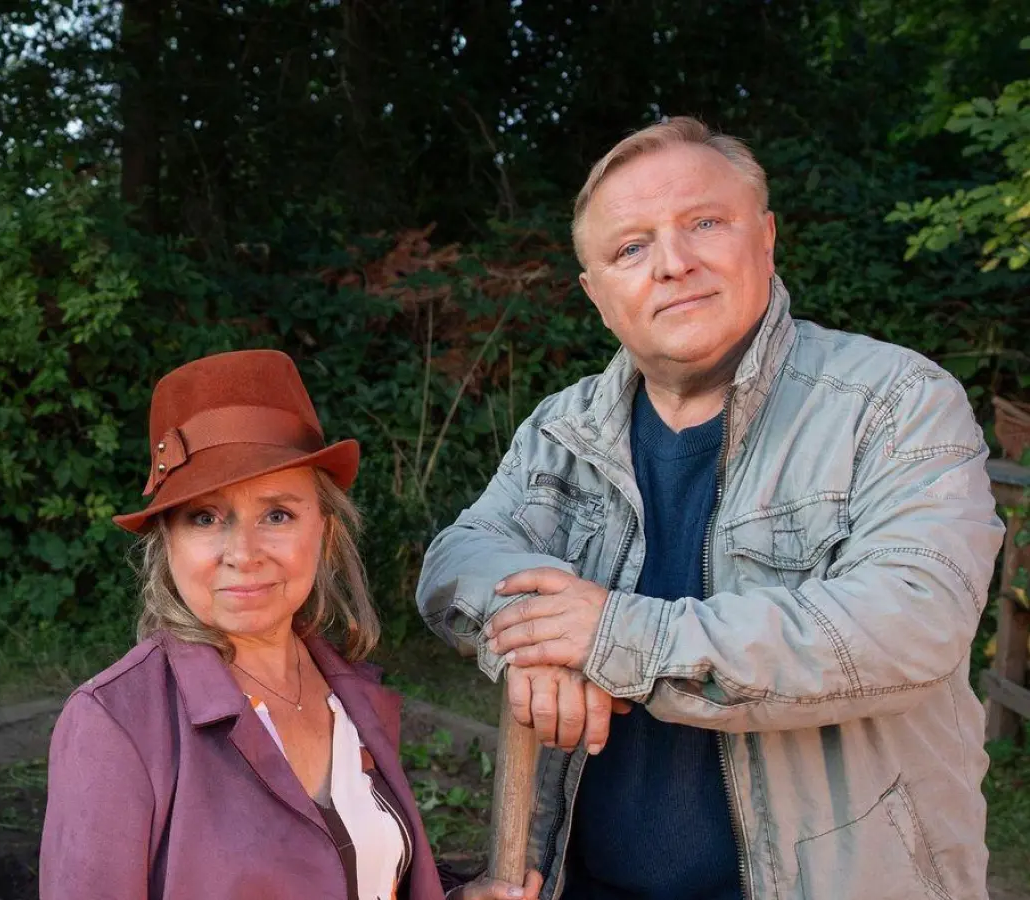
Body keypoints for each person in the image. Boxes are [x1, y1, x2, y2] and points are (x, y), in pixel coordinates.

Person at [417, 116, 1004, 900]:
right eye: (630, 247)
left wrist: (612, 636)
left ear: (764, 239)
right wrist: (535, 636)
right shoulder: (563, 428)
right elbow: (461, 556)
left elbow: (911, 620)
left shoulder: (895, 402)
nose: (672, 264)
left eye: (702, 223)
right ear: (596, 294)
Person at [41, 349, 545, 900]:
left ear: (324, 533)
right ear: (167, 541)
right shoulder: (115, 726)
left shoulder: (348, 696)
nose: (244, 552)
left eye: (276, 514)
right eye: (205, 518)